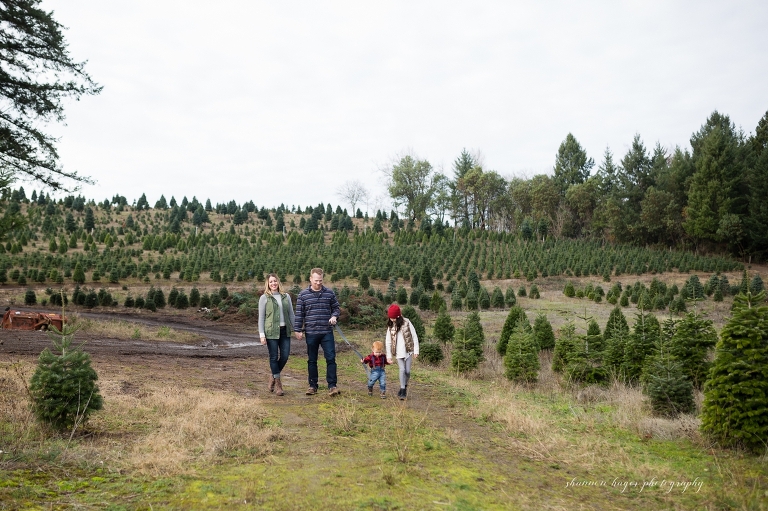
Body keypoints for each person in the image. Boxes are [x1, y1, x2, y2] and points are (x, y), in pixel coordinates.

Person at [294, 267, 341, 396]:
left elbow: (336, 308)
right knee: (312, 360)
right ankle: (312, 386)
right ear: (310, 279)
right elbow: (299, 314)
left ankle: (332, 386)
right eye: (316, 280)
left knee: (331, 358)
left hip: (326, 332)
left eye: (320, 280)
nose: (318, 283)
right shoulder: (303, 295)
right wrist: (297, 329)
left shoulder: (329, 293)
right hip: (311, 332)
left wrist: (334, 316)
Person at [258, 273, 295, 396]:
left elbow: (291, 315)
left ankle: (273, 376)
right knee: (273, 357)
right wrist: (262, 334)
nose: (273, 283)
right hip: (271, 332)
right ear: (268, 284)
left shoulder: (286, 297)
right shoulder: (264, 298)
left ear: (278, 282)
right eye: (271, 282)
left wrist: (297, 329)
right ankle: (278, 384)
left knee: (285, 355)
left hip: (285, 331)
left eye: (275, 281)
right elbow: (261, 318)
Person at [384, 304, 419, 400]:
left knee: (407, 372)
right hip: (398, 353)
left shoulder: (407, 322)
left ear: (398, 316)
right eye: (390, 318)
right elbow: (388, 342)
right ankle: (402, 389)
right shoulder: (390, 326)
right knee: (402, 370)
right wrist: (389, 356)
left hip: (408, 352)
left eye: (393, 318)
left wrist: (416, 350)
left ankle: (405, 384)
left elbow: (414, 336)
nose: (392, 319)